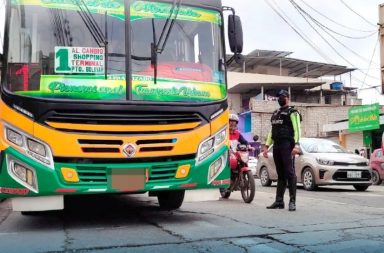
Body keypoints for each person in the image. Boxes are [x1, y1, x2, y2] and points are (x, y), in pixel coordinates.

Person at [262, 90, 301, 211]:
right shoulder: (276, 113)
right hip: (277, 146)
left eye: (282, 97)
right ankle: (279, 201)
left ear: (288, 98)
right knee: (280, 174)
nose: (280, 99)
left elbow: (297, 129)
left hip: (287, 145)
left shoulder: (293, 112)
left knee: (290, 173)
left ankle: (292, 201)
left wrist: (296, 145)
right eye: (278, 97)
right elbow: (271, 131)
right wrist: (266, 145)